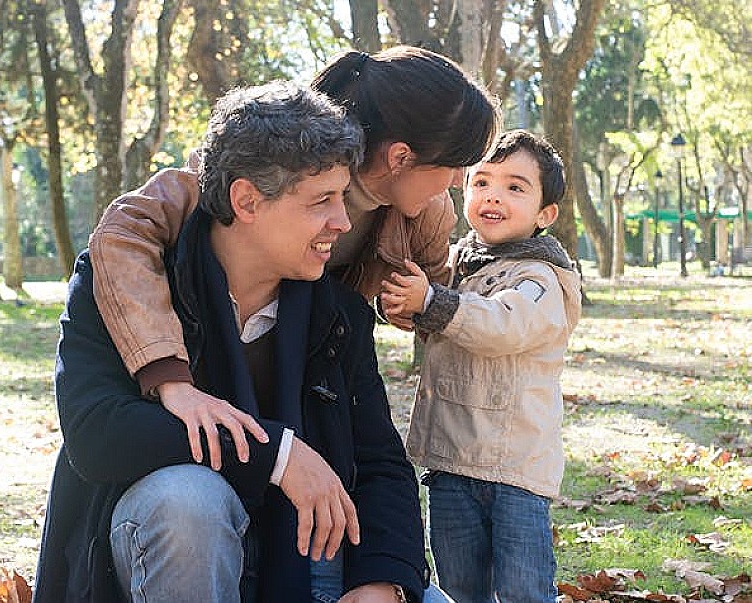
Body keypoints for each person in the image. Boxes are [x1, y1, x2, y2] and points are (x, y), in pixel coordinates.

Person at [23, 82, 482, 603]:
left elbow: (382, 461)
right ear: (246, 201)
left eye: (343, 198)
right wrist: (277, 455)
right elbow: (97, 433)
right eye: (321, 201)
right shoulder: (123, 285)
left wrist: (387, 583)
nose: (341, 222)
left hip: (288, 574)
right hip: (153, 570)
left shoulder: (335, 312)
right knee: (188, 499)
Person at [87, 46, 497, 467]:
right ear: (400, 157)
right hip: (216, 362)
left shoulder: (426, 214)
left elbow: (436, 302)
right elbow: (122, 233)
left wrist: (420, 304)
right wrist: (168, 373)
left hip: (307, 383)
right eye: (454, 165)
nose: (459, 182)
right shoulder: (268, 158)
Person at [379, 130, 582, 603]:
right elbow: (442, 324)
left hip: (514, 463)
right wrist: (409, 307)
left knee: (525, 591)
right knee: (462, 586)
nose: (493, 196)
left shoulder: (542, 278)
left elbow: (501, 325)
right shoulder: (458, 266)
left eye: (515, 188)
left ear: (544, 213)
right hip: (451, 458)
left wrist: (434, 304)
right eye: (482, 182)